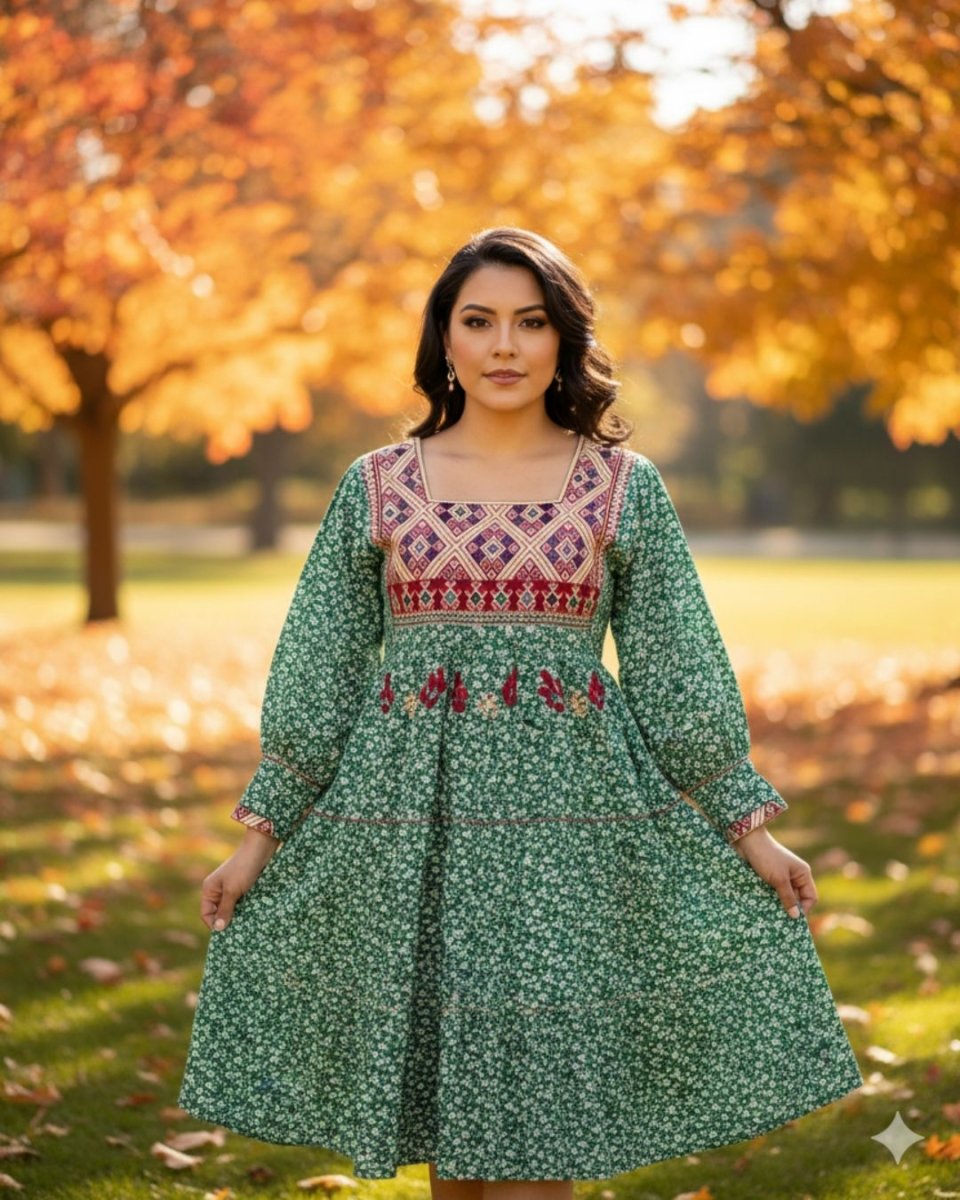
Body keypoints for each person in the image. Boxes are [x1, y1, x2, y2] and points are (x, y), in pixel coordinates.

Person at [177, 227, 863, 1196]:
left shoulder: (626, 490)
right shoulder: (375, 485)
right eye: (480, 321)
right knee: (450, 1157)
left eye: (531, 323)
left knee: (538, 1145)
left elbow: (678, 671)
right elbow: (320, 672)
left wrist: (749, 829)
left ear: (563, 339)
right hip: (412, 832)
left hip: (571, 840)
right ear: (444, 340)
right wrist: (259, 836)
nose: (505, 346)